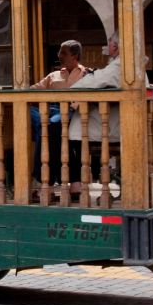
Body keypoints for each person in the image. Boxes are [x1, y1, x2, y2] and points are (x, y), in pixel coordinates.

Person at [66, 32, 123, 195]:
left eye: (109, 41)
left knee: (67, 132)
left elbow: (83, 85)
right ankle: (77, 182)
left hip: (112, 126)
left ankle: (76, 182)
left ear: (114, 46)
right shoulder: (125, 63)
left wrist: (91, 76)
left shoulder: (120, 65)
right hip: (114, 121)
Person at [30, 40, 88, 185]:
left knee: (48, 130)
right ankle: (42, 124)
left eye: (63, 53)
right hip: (48, 111)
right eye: (59, 52)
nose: (59, 56)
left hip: (69, 112)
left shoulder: (86, 74)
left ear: (75, 56)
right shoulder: (53, 75)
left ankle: (43, 179)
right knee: (26, 110)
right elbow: (32, 90)